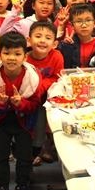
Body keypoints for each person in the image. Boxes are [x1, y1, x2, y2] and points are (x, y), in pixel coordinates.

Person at [0, 32, 42, 190]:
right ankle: (2, 187)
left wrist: (20, 103)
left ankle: (22, 186)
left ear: (25, 56)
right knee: (0, 156)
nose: (11, 58)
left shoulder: (32, 77)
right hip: (1, 120)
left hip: (24, 121)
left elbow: (35, 104)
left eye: (17, 53)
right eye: (6, 53)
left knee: (24, 156)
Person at [26, 22, 63, 166]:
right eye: (38, 36)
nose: (42, 40)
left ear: (54, 44)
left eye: (48, 38)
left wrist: (40, 85)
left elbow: (57, 78)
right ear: (29, 40)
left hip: (47, 99)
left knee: (41, 123)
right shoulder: (25, 58)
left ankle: (39, 150)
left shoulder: (57, 56)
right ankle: (26, 151)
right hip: (27, 98)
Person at [58, 4, 95, 72]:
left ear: (94, 23)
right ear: (72, 25)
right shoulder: (67, 44)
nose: (84, 25)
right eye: (79, 21)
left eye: (88, 20)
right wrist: (66, 47)